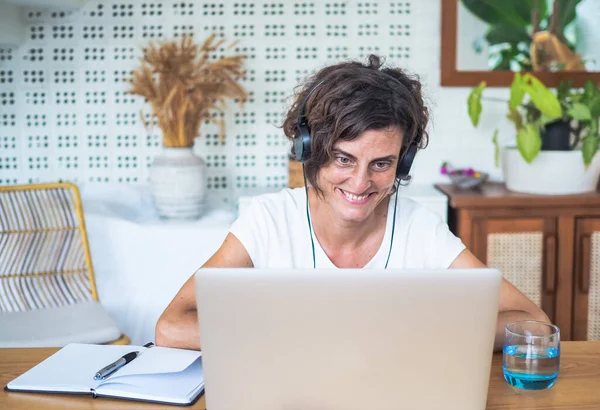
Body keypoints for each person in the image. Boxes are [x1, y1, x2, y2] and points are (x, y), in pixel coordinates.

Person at [155, 55, 549, 351]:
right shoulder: (267, 221)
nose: (361, 183)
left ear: (403, 161)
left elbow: (533, 322)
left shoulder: (417, 227)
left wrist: (421, 330)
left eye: (382, 164)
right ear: (310, 150)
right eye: (344, 159)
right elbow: (171, 326)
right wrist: (293, 336)